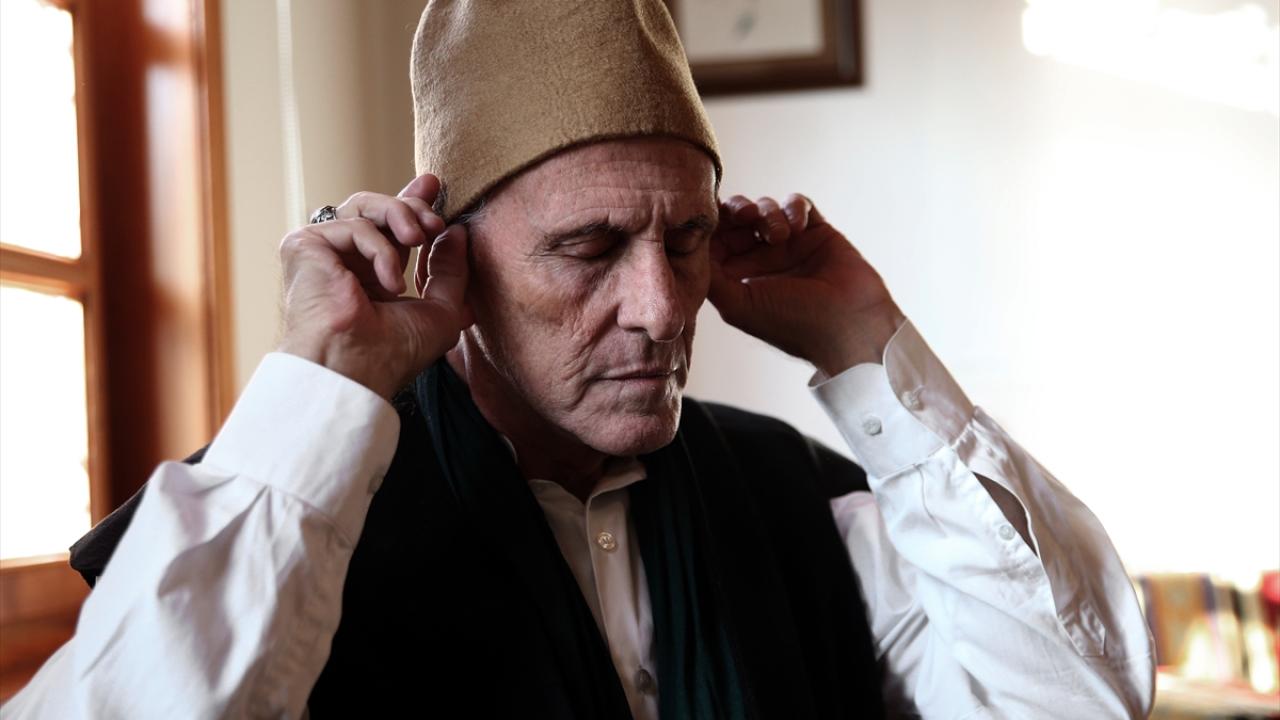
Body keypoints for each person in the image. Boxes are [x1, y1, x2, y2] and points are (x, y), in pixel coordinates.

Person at [2, 1, 1154, 718]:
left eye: (685, 240)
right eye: (588, 249)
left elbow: (1077, 704)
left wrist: (867, 345)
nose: (658, 309)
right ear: (447, 258)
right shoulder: (305, 534)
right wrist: (324, 385)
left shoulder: (795, 504)